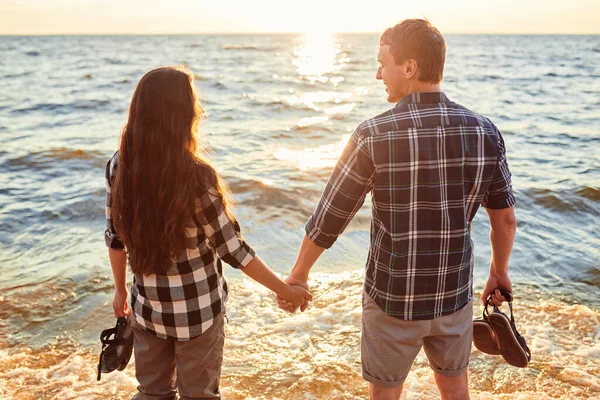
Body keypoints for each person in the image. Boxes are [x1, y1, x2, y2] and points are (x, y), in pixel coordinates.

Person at [278, 19, 516, 400]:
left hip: (392, 300)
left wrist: (299, 275)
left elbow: (330, 217)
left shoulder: (373, 134)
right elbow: (504, 218)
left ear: (409, 67)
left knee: (385, 394)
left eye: (383, 63)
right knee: (456, 390)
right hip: (452, 296)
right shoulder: (484, 131)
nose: (378, 74)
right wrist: (498, 273)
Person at [105, 66, 312, 400]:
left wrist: (119, 292)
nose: (199, 111)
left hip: (148, 309)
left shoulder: (120, 165)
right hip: (198, 314)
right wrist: (285, 290)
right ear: (182, 114)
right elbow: (233, 250)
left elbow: (114, 236)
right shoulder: (197, 176)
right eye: (193, 104)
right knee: (199, 396)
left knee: (151, 393)